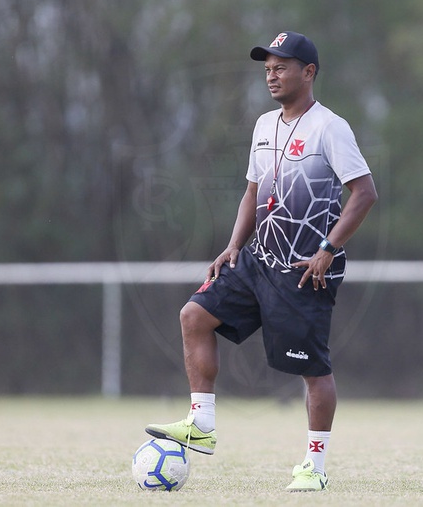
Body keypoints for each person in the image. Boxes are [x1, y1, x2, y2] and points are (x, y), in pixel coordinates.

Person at [145, 31, 377, 492]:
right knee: (194, 315)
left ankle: (315, 465)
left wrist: (328, 250)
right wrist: (234, 244)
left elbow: (365, 192)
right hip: (255, 260)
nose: (271, 74)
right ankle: (201, 424)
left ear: (308, 72)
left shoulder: (330, 127)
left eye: (282, 66)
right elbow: (253, 191)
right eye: (267, 67)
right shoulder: (264, 125)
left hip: (302, 270)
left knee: (313, 370)